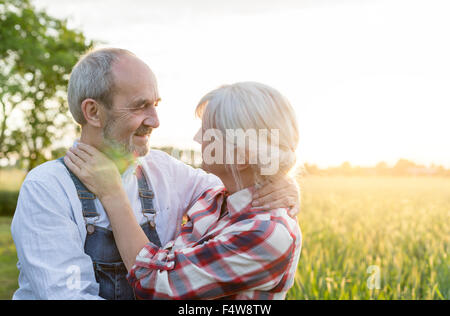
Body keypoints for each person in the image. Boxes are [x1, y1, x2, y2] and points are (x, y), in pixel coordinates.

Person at [10, 48, 300, 300]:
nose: (156, 121)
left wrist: (281, 182)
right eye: (140, 106)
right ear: (94, 113)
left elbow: (245, 194)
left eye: (155, 104)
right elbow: (68, 295)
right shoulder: (47, 188)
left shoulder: (166, 171)